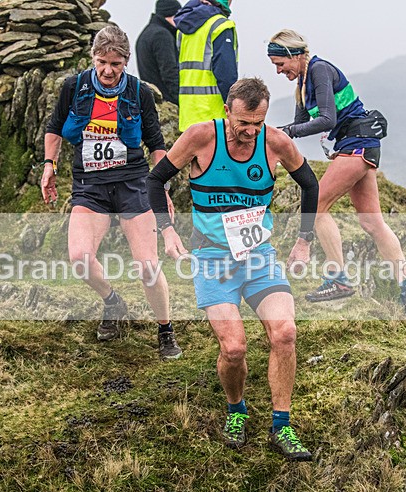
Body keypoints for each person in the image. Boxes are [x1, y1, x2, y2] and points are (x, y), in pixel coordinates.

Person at [147, 78, 319, 461]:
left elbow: (310, 184)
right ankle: (236, 409)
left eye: (257, 123)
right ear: (228, 110)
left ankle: (282, 426)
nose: (249, 131)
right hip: (212, 259)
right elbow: (155, 180)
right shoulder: (200, 137)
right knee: (235, 348)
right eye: (243, 122)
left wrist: (304, 240)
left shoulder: (274, 143)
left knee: (285, 333)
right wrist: (167, 231)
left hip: (259, 257)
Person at [41, 26, 183, 360]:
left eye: (116, 63)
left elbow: (156, 144)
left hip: (134, 185)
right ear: (93, 58)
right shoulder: (73, 87)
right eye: (102, 61)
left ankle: (165, 329)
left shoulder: (138, 92)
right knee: (79, 259)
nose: (108, 70)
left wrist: (161, 186)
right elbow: (55, 127)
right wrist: (50, 164)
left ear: (126, 62)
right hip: (90, 187)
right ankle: (112, 301)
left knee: (148, 266)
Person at [267, 29, 406, 317]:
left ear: (294, 55)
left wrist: (285, 132)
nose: (279, 71)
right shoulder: (303, 83)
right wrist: (275, 136)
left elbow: (326, 119)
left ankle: (338, 279)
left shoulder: (319, 69)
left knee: (316, 206)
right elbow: (301, 124)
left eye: (281, 64)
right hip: (359, 145)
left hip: (356, 143)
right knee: (372, 223)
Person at [174, 0, 237, 131]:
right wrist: (236, 110)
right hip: (214, 117)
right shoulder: (221, 25)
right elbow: (226, 75)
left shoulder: (183, 28)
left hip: (189, 115)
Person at [135, 0, 182, 106]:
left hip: (153, 100)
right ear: (172, 14)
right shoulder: (162, 35)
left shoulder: (146, 33)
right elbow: (170, 72)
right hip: (167, 102)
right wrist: (182, 101)